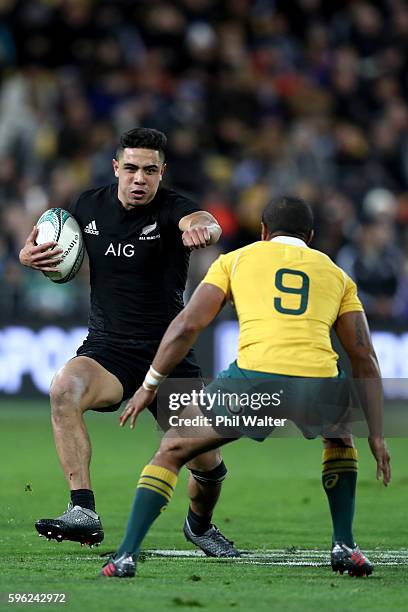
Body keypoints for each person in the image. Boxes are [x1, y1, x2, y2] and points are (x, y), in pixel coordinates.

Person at [100, 195, 391, 579]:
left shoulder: (236, 259)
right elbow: (364, 355)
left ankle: (125, 556)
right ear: (312, 237)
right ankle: (345, 546)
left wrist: (149, 385)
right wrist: (377, 433)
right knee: (339, 439)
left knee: (171, 450)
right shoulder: (336, 273)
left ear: (264, 231)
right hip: (317, 381)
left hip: (255, 381)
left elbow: (188, 324)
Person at [19, 127, 240, 557]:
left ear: (162, 173)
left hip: (168, 355)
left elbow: (202, 222)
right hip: (108, 349)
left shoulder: (176, 207)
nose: (140, 178)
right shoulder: (87, 205)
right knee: (64, 388)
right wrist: (29, 256)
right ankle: (82, 509)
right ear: (117, 167)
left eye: (150, 170)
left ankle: (200, 525)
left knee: (206, 466)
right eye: (133, 168)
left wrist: (205, 230)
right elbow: (49, 239)